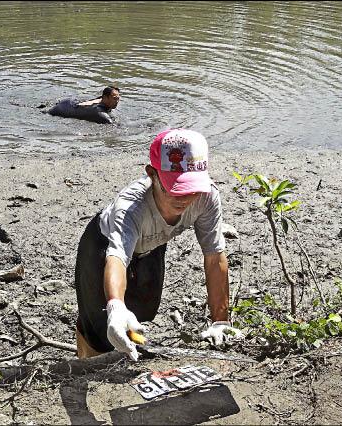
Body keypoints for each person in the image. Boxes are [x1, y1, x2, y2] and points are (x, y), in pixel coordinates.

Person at [74, 128, 242, 360]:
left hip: (152, 245)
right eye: (174, 188)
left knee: (143, 310)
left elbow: (214, 256)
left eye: (191, 189)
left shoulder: (206, 197)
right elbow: (117, 258)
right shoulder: (131, 206)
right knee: (99, 326)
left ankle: (125, 352)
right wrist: (115, 306)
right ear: (152, 174)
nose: (184, 198)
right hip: (102, 246)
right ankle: (87, 364)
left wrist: (220, 321)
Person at [47, 86, 120, 124]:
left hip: (70, 102)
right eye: (114, 98)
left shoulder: (101, 100)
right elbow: (112, 124)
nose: (117, 101)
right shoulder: (99, 113)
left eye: (118, 98)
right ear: (105, 97)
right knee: (45, 112)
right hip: (62, 108)